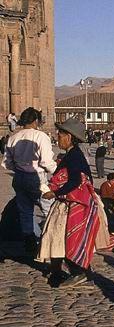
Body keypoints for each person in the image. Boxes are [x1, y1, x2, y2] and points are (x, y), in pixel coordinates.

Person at [37, 118, 102, 288]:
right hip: (66, 203)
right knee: (56, 234)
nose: (58, 137)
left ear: (70, 137)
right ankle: (60, 270)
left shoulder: (75, 157)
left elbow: (75, 181)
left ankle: (78, 272)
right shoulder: (71, 155)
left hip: (74, 204)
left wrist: (55, 192)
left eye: (61, 134)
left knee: (68, 237)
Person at [1, 107, 57, 253]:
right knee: (49, 208)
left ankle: (29, 242)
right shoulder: (41, 137)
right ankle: (54, 240)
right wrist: (56, 170)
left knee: (25, 211)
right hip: (37, 178)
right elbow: (46, 162)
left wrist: (20, 168)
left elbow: (6, 162)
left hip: (19, 178)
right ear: (36, 121)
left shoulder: (13, 137)